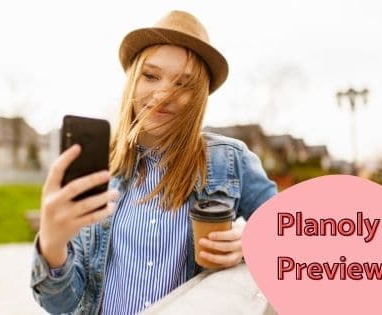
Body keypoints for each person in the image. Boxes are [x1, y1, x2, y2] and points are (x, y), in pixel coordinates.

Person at [30, 10, 277, 315]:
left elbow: (291, 232)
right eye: (150, 76)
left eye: (183, 84)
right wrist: (52, 244)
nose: (163, 95)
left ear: (198, 96)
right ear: (133, 81)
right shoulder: (100, 169)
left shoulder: (229, 160)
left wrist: (251, 243)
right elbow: (61, 303)